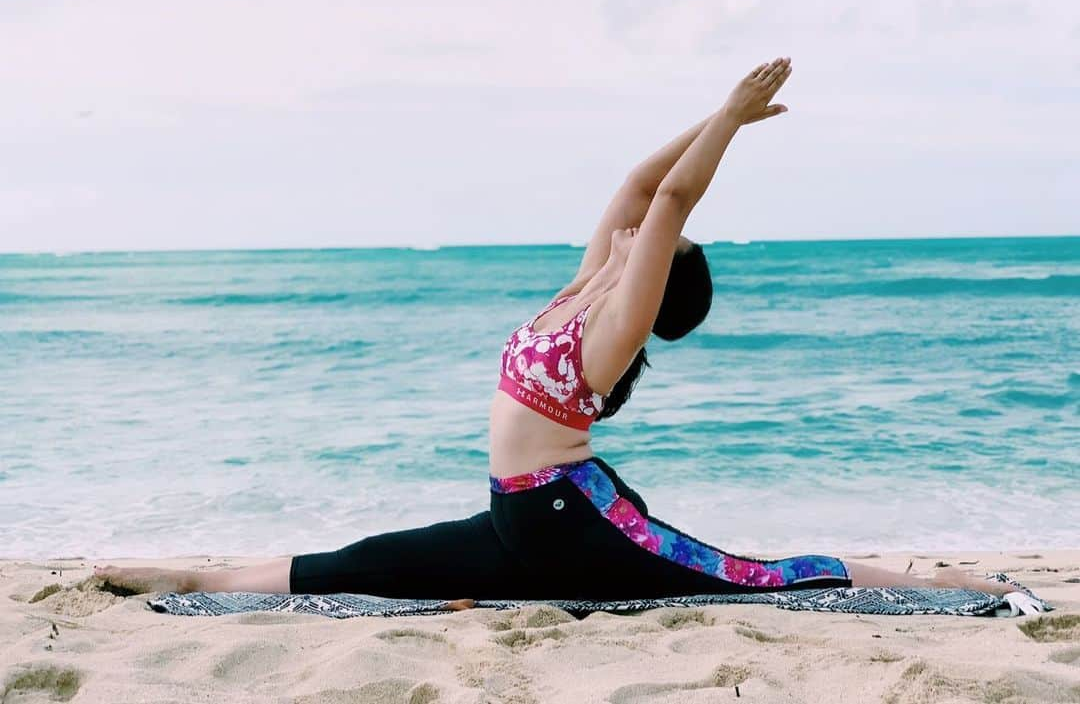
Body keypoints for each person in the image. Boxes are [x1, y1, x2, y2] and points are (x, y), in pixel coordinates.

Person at [94, 57, 1015, 601]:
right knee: (358, 564)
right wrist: (718, 111)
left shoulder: (614, 325)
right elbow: (645, 183)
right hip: (520, 515)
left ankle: (947, 586)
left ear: (659, 274)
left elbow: (677, 195)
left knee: (755, 576)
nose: (641, 222)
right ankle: (194, 578)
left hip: (569, 519)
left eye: (660, 238)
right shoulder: (582, 285)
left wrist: (730, 127)